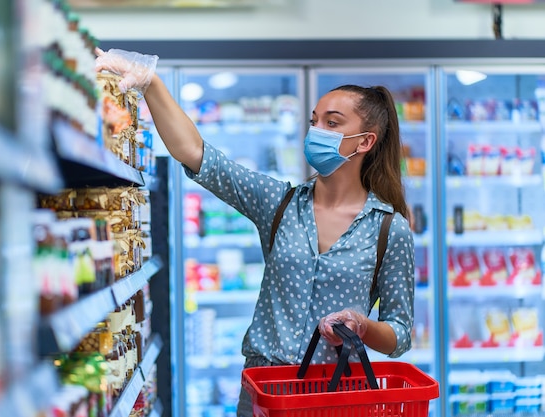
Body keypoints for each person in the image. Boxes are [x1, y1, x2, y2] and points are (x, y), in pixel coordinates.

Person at [95, 48, 415, 416]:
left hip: (337, 398)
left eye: (332, 123)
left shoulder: (389, 228)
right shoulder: (280, 203)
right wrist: (151, 81)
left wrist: (361, 326)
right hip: (265, 392)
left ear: (365, 142)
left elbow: (400, 334)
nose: (316, 131)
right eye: (314, 121)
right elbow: (196, 153)